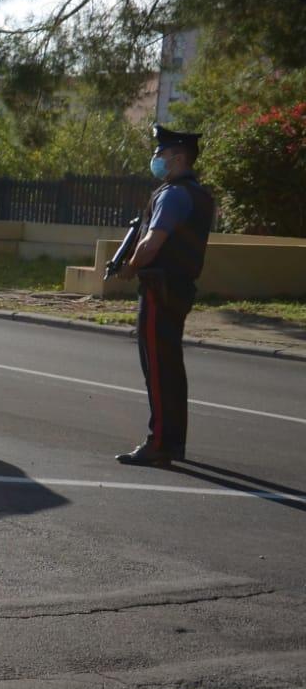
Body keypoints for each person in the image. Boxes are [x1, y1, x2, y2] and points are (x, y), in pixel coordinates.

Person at [111, 124, 215, 467]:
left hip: (160, 287)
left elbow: (152, 242)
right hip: (178, 287)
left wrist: (130, 267)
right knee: (170, 369)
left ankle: (158, 444)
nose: (156, 159)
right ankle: (171, 442)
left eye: (161, 153)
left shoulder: (173, 194)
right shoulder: (198, 194)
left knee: (157, 368)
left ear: (178, 158)